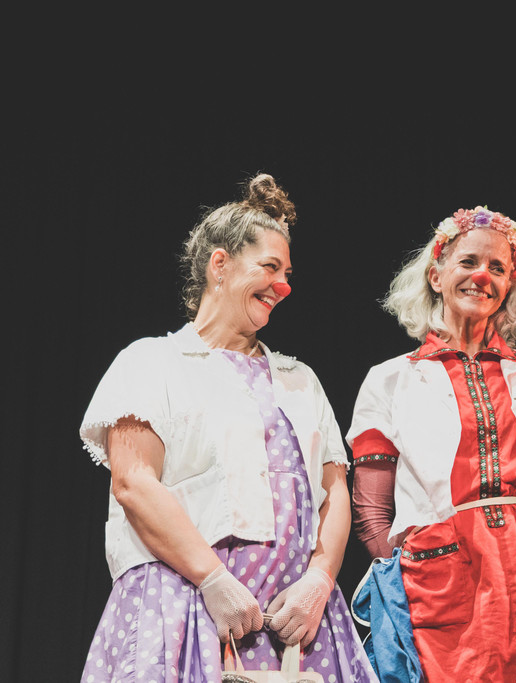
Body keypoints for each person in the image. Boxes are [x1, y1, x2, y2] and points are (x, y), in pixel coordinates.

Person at [78, 174, 378, 682]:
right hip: (181, 606)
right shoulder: (152, 362)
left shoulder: (299, 379)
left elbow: (334, 492)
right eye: (269, 267)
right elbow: (133, 483)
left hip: (295, 624)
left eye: (287, 273)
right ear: (220, 264)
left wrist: (319, 581)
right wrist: (213, 579)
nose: (283, 286)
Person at [347, 206, 516, 681]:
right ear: (436, 275)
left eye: (497, 267)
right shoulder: (390, 380)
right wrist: (413, 571)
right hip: (442, 580)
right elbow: (372, 513)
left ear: (509, 285)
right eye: (468, 262)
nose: (482, 276)